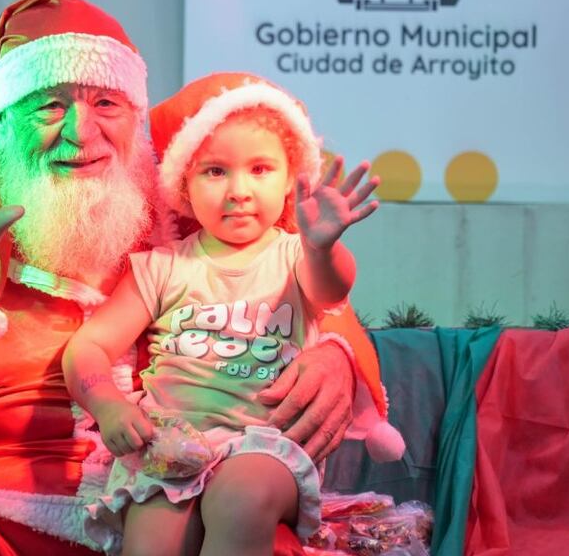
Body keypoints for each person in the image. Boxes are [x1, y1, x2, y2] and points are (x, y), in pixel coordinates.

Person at [0, 0, 387, 555]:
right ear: (5, 120)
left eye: (106, 103)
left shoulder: (188, 198)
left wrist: (336, 354)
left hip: (184, 487)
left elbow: (305, 278)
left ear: (137, 117)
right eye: (50, 105)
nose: (81, 134)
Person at [63, 73, 405, 555]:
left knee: (240, 499)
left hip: (264, 447)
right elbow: (89, 346)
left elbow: (333, 289)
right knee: (151, 539)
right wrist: (109, 405)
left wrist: (323, 247)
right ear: (183, 184)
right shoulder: (161, 267)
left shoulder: (296, 256)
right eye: (215, 171)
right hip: (170, 444)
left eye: (260, 169)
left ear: (290, 178)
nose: (239, 190)